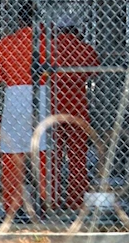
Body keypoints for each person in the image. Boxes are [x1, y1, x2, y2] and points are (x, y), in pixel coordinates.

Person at [0, 4, 48, 221]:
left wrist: (12, 77)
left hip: (14, 96)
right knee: (41, 150)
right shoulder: (45, 42)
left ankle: (11, 205)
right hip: (41, 94)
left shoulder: (7, 42)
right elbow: (55, 70)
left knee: (12, 151)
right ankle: (44, 203)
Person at [50, 14, 100, 210]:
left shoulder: (50, 46)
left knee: (53, 154)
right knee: (77, 155)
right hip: (77, 105)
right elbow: (94, 69)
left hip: (54, 104)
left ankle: (51, 199)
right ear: (76, 30)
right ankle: (75, 200)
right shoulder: (84, 48)